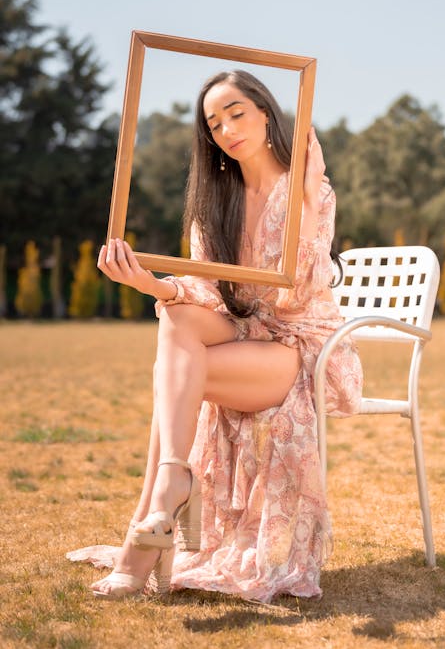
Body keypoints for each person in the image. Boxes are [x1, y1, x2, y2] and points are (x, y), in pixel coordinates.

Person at [70, 70, 363, 603]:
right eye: (213, 122)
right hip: (241, 331)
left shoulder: (309, 187)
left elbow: (302, 291)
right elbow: (205, 291)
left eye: (236, 113)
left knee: (172, 376)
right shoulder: (216, 200)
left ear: (266, 113)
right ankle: (170, 486)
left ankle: (150, 528)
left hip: (295, 346)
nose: (226, 129)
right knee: (175, 318)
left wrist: (309, 200)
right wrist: (147, 283)